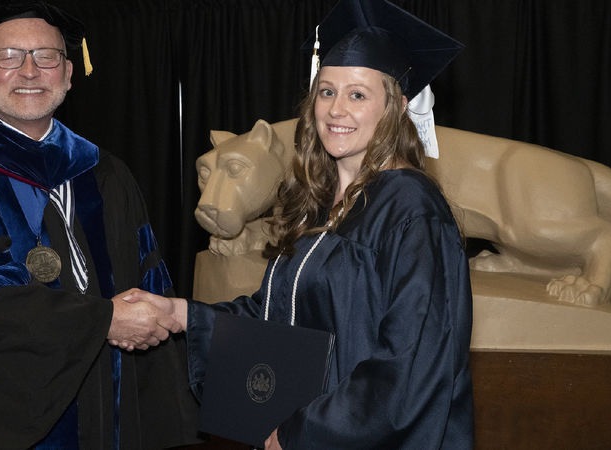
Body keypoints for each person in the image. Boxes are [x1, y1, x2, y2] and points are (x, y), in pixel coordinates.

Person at [122, 0, 473, 448]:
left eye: (358, 94)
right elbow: (275, 316)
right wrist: (179, 313)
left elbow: (409, 365)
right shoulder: (322, 206)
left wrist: (299, 433)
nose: (336, 109)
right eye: (326, 91)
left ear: (397, 107)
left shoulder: (412, 209)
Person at [0, 1, 199, 448]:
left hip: (107, 408)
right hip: (0, 417)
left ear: (68, 73)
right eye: (8, 56)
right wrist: (102, 321)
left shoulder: (105, 173)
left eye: (46, 56)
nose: (29, 71)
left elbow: (149, 282)